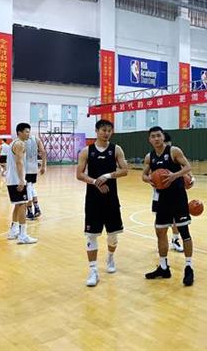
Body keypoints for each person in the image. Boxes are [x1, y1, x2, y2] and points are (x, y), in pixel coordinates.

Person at [76, 119, 128, 287]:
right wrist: (95, 182)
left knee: (113, 235)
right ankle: (93, 270)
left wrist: (107, 176)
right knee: (91, 235)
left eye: (109, 130)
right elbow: (79, 174)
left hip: (111, 198)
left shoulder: (116, 149)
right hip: (93, 199)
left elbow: (125, 170)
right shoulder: (86, 151)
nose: (106, 133)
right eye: (103, 130)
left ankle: (110, 257)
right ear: (97, 131)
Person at [142, 126, 195, 286]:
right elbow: (144, 174)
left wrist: (175, 175)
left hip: (178, 197)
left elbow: (188, 167)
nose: (156, 139)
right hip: (162, 198)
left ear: (163, 137)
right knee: (160, 231)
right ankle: (163, 267)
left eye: (159, 135)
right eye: (153, 136)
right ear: (149, 139)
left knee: (184, 231)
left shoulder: (173, 151)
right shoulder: (149, 157)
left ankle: (189, 267)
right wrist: (148, 179)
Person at [150, 132, 195, 253]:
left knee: (177, 219)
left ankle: (175, 239)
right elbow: (150, 174)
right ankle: (161, 240)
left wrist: (191, 179)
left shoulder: (173, 153)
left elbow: (185, 168)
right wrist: (151, 179)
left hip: (175, 193)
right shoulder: (152, 156)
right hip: (159, 194)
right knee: (159, 221)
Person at [6, 123, 38, 244]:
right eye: (26, 131)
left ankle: (13, 231)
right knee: (23, 205)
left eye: (29, 131)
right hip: (16, 179)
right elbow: (19, 162)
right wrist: (21, 180)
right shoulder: (20, 144)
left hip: (11, 179)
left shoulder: (13, 143)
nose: (28, 134)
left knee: (18, 204)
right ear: (19, 132)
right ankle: (23, 235)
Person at [25, 134, 47, 220]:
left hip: (25, 167)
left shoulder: (22, 139)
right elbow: (43, 152)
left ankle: (30, 211)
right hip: (34, 167)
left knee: (28, 188)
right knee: (31, 187)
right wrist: (43, 166)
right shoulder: (36, 139)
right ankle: (37, 208)